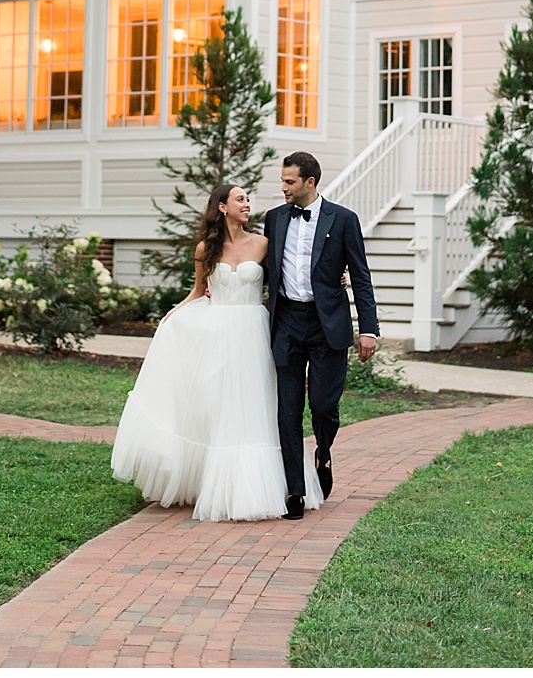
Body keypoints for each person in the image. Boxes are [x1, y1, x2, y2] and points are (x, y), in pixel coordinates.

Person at [111, 184, 321, 521]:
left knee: (255, 407)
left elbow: (293, 274)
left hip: (253, 331)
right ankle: (212, 482)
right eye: (240, 199)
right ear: (222, 207)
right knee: (220, 407)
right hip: (218, 332)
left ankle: (265, 486)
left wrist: (330, 280)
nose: (247, 204)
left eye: (248, 199)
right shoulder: (205, 249)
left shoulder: (264, 244)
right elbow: (197, 291)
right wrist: (173, 315)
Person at [262, 152, 380, 520]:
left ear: (309, 182)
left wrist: (369, 329)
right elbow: (265, 271)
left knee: (324, 407)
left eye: (290, 182)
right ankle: (294, 491)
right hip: (286, 323)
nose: (283, 187)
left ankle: (324, 451)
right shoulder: (274, 219)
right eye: (282, 181)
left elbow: (360, 275)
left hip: (328, 323)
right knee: (287, 410)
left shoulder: (343, 220)